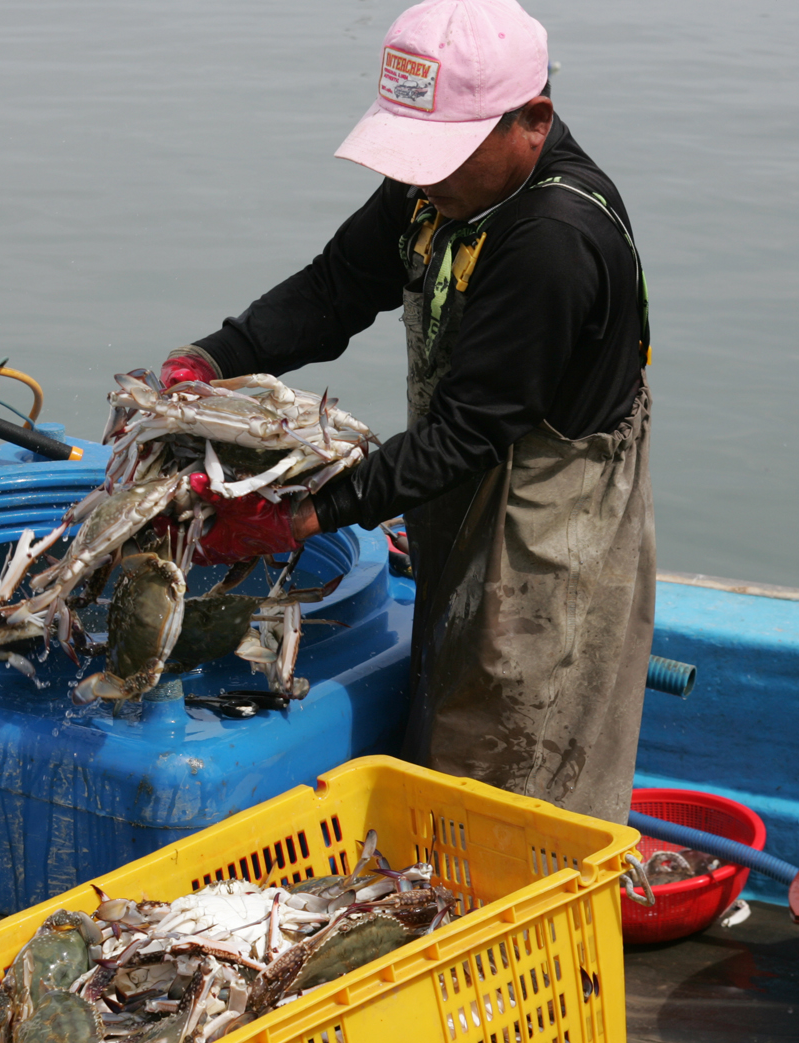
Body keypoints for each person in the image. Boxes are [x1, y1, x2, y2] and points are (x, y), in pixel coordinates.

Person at [158, 0, 654, 823]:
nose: (424, 176)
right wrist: (211, 358)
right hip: (461, 475)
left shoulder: (551, 239)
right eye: (413, 152)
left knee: (511, 732)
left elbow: (469, 428)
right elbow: (335, 286)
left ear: (531, 121)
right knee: (450, 680)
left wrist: (299, 516)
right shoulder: (439, 191)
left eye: (444, 153)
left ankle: (518, 905)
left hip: (546, 515)